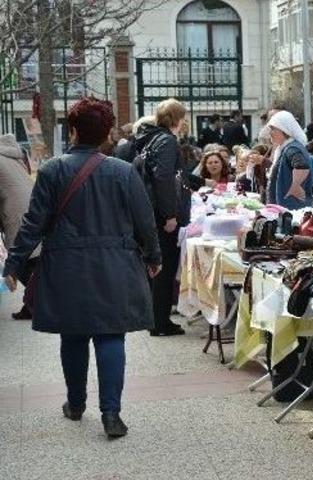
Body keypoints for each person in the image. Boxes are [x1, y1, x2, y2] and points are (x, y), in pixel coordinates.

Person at [2, 97, 161, 437]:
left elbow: (33, 224)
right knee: (110, 335)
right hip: (115, 265)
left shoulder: (52, 170)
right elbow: (144, 221)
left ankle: (75, 404)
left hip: (66, 265)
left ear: (71, 131)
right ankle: (112, 415)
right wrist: (154, 257)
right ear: (107, 133)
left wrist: (14, 263)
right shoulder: (123, 171)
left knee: (73, 335)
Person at [134, 98, 187, 336]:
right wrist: (170, 215)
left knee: (158, 267)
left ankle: (156, 318)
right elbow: (164, 178)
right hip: (161, 214)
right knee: (164, 268)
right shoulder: (166, 140)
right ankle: (160, 322)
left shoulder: (152, 138)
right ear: (177, 119)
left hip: (150, 210)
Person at [0, 134, 38, 320]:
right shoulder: (14, 158)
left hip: (15, 214)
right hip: (30, 210)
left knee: (22, 261)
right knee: (30, 260)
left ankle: (34, 304)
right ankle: (31, 303)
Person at [266, 110, 313, 209]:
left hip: (292, 210)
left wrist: (295, 186)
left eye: (273, 129)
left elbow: (301, 166)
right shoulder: (285, 148)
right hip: (286, 209)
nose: (270, 132)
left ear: (284, 130)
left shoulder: (292, 148)